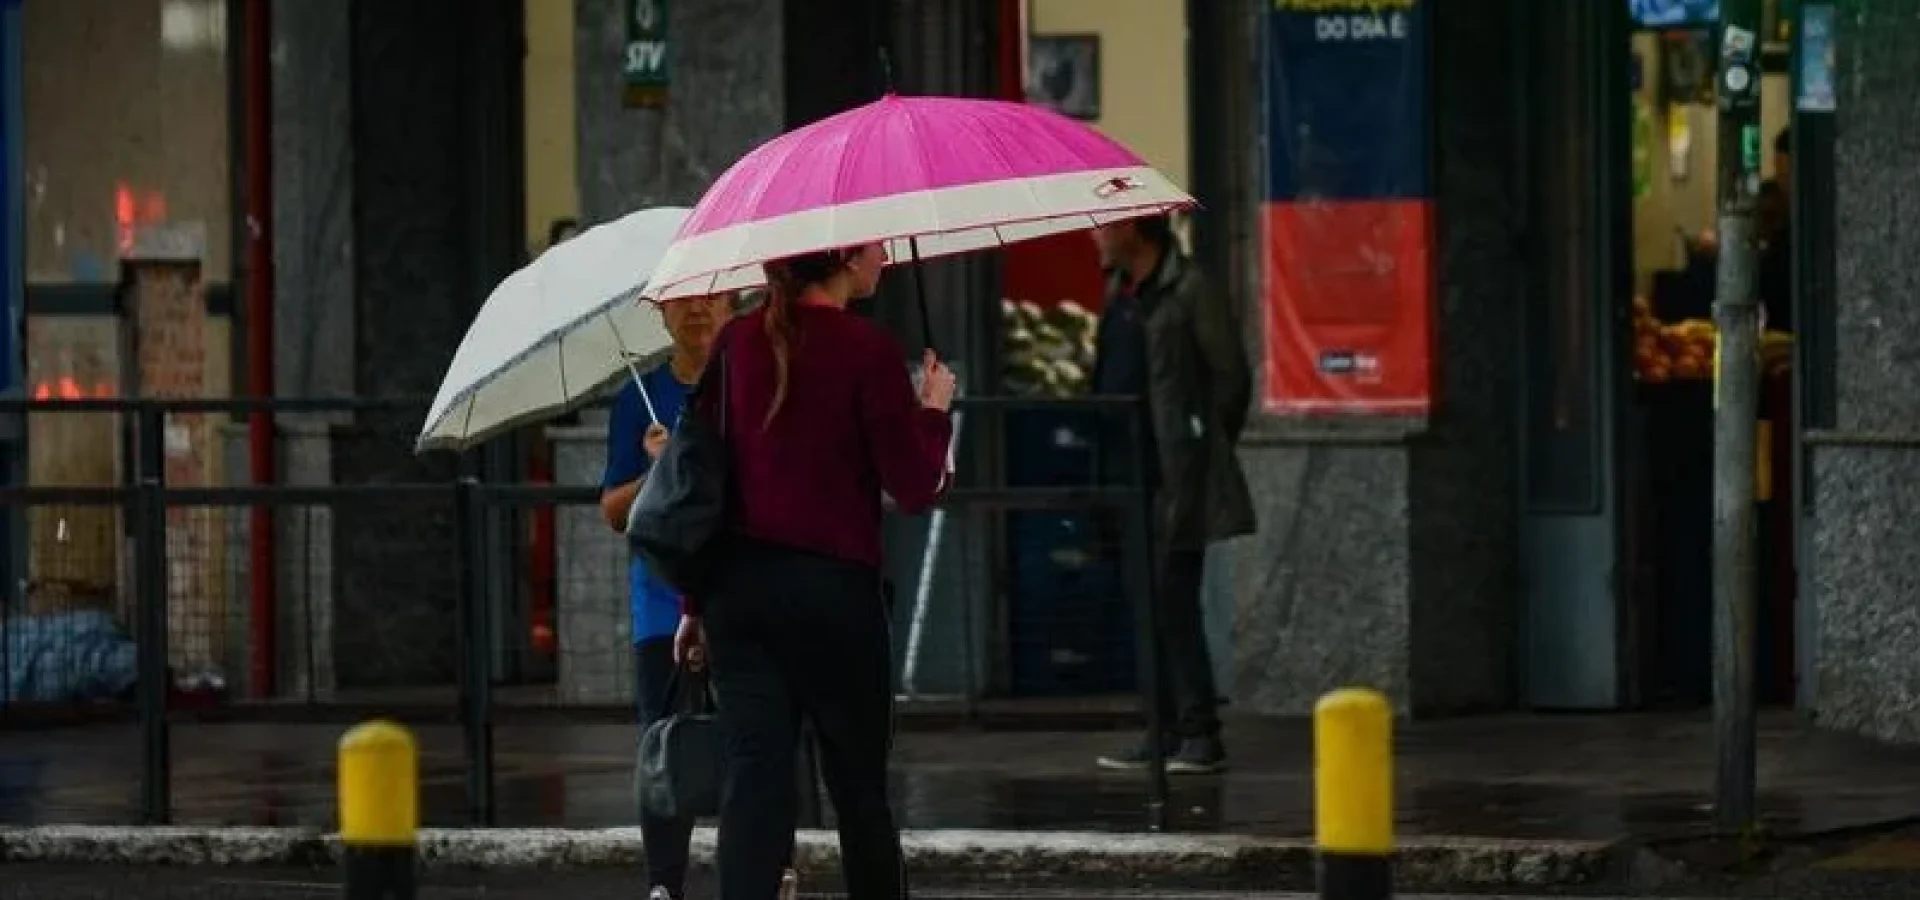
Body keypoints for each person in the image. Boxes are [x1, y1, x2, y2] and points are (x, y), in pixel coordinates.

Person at [673, 244, 955, 900]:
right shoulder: (868, 351)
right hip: (834, 598)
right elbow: (915, 487)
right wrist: (935, 410)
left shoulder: (735, 345)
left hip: (737, 597)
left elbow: (700, 486)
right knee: (858, 788)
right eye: (874, 244)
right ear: (848, 259)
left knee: (753, 781)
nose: (884, 253)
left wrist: (693, 605)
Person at [1087, 214, 1255, 775]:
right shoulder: (1121, 291)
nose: (1096, 237)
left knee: (1173, 601)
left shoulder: (1188, 289)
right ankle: (1160, 729)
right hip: (1123, 471)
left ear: (1135, 229)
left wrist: (1199, 447)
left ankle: (1200, 732)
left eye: (1103, 226)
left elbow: (1230, 377)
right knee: (1145, 603)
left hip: (1172, 475)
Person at [599, 290, 734, 900]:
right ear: (661, 313)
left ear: (734, 304)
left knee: (754, 740)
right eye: (683, 302)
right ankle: (663, 884)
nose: (698, 312)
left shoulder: (746, 384)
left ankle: (763, 872)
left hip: (738, 595)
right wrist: (657, 468)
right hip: (660, 605)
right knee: (664, 742)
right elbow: (612, 509)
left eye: (712, 299)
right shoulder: (639, 401)